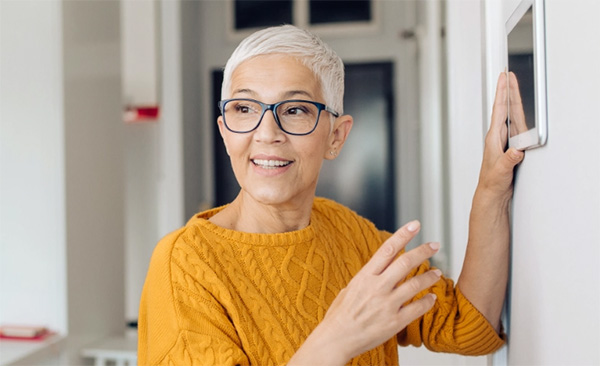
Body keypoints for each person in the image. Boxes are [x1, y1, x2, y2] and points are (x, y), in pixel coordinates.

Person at [138, 24, 524, 365]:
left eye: (295, 110)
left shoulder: (349, 233)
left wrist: (492, 189)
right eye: (244, 107)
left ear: (336, 137)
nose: (267, 132)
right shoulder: (184, 265)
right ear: (225, 131)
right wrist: (336, 339)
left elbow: (467, 324)